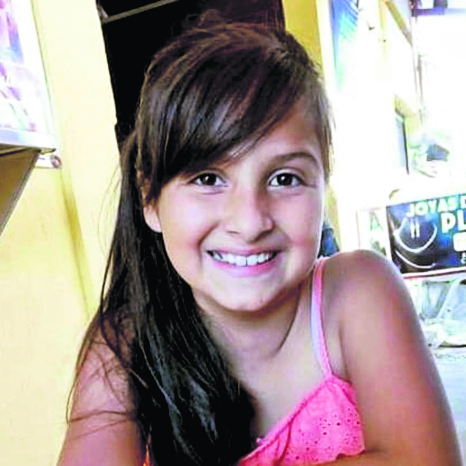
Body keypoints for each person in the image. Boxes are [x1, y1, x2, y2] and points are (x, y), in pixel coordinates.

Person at [57, 17, 462, 466]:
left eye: (285, 178)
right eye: (208, 178)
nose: (249, 222)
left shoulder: (357, 294)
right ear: (150, 198)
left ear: (324, 186)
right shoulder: (125, 346)